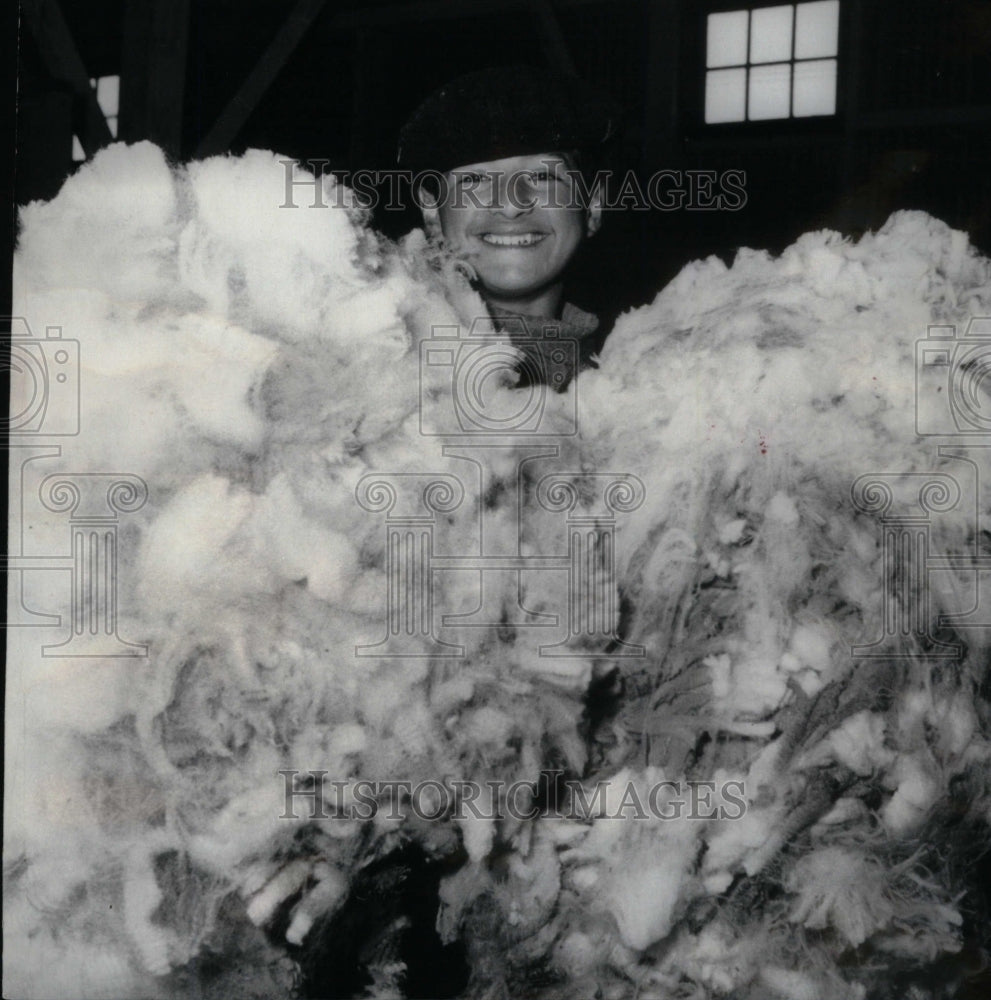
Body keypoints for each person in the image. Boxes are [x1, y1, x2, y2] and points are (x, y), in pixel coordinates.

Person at [398, 65, 620, 388]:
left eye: (543, 176)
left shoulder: (634, 375)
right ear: (432, 212)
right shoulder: (394, 370)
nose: (511, 204)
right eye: (474, 179)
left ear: (593, 207)